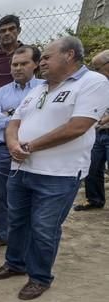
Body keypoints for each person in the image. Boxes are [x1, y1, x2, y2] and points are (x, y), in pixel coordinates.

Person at [0, 37, 109, 300]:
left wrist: (29, 147)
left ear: (69, 55)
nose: (41, 61)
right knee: (17, 220)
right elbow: (13, 122)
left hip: (59, 173)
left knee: (44, 227)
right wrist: (13, 145)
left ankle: (40, 277)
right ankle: (15, 263)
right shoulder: (38, 89)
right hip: (21, 168)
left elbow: (78, 126)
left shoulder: (94, 83)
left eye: (46, 57)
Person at [0, 45, 43, 252]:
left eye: (23, 63)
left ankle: (28, 239)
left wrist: (10, 115)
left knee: (31, 195)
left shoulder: (45, 88)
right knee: (1, 196)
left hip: (35, 150)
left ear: (35, 64)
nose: (18, 68)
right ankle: (1, 236)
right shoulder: (0, 92)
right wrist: (21, 118)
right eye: (14, 64)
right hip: (2, 151)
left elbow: (43, 118)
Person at [74, 49, 109, 211]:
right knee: (93, 167)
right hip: (99, 132)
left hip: (103, 127)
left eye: (97, 67)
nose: (96, 71)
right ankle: (94, 200)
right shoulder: (98, 83)